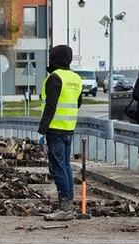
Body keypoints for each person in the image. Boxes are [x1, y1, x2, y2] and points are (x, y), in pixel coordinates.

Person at [38, 44, 83, 221]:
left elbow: (50, 106)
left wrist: (41, 131)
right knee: (66, 167)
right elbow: (78, 103)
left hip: (54, 129)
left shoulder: (54, 78)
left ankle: (65, 208)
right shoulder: (76, 78)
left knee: (57, 168)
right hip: (69, 129)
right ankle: (67, 204)